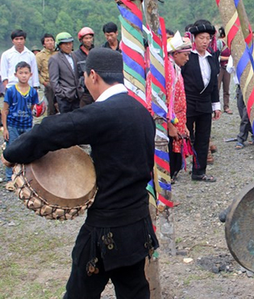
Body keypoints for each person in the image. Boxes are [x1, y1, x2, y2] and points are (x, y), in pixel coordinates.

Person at [2, 48, 158, 298]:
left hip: (105, 227)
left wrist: (11, 153)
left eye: (85, 76)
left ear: (93, 75)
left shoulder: (103, 113)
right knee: (134, 289)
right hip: (137, 223)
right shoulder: (141, 112)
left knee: (79, 293)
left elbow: (50, 131)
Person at [182, 19, 221, 182]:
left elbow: (213, 83)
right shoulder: (187, 57)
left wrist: (216, 105)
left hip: (205, 103)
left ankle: (199, 171)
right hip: (189, 102)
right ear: (194, 39)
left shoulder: (212, 58)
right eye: (201, 38)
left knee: (203, 137)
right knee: (183, 136)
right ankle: (173, 169)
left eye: (208, 38)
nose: (205, 42)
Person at [2, 61, 39, 190]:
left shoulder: (33, 92)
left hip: (27, 124)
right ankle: (10, 178)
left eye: (26, 73)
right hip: (13, 124)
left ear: (31, 74)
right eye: (21, 73)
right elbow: (5, 110)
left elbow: (34, 109)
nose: (24, 76)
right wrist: (5, 128)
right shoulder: (11, 91)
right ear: (15, 74)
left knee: (27, 149)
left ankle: (26, 177)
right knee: (11, 149)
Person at [166, 32, 192, 182]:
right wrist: (171, 125)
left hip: (178, 119)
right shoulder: (168, 71)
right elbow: (167, 100)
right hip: (170, 122)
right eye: (185, 55)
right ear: (175, 54)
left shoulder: (175, 69)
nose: (187, 59)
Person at [49, 32, 81, 113]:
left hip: (77, 95)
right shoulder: (55, 59)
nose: (68, 46)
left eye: (70, 43)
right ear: (59, 45)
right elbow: (53, 80)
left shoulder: (74, 56)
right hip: (65, 97)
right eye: (65, 44)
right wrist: (62, 94)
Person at [1, 29, 40, 94]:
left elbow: (34, 71)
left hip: (28, 86)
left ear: (24, 40)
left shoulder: (30, 55)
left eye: (21, 39)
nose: (19, 41)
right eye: (16, 39)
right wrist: (6, 86)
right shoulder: (6, 55)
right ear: (12, 41)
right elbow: (3, 72)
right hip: (12, 86)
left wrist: (35, 87)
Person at [36, 33, 58, 115]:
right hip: (48, 83)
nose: (50, 42)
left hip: (60, 82)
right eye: (47, 41)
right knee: (51, 106)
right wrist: (44, 83)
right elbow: (36, 71)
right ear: (43, 44)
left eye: (52, 40)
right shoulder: (40, 56)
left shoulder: (58, 53)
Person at [73, 27, 95, 107]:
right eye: (86, 38)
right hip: (84, 90)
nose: (89, 40)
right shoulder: (75, 55)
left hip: (96, 88)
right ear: (81, 40)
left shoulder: (96, 52)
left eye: (90, 38)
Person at [216, 27, 232, 114]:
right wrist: (228, 58)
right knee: (217, 88)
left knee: (227, 88)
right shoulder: (220, 43)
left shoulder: (230, 44)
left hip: (227, 68)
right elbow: (216, 56)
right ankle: (216, 107)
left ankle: (226, 106)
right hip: (220, 67)